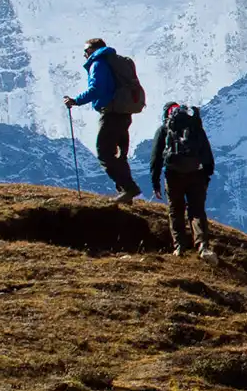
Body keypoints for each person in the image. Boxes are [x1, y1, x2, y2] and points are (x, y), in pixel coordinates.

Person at [63, 38, 140, 203]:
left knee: (105, 152)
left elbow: (96, 89)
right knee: (120, 154)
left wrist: (75, 100)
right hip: (124, 112)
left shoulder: (98, 63)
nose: (84, 55)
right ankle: (125, 195)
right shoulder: (116, 61)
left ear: (92, 49)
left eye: (85, 51)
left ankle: (129, 188)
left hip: (111, 112)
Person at [149, 102, 216, 264]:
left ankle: (179, 246)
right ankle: (202, 246)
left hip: (173, 175)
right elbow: (207, 153)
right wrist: (206, 176)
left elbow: (156, 158)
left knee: (175, 210)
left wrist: (155, 182)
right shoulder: (195, 126)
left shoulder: (164, 129)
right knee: (197, 211)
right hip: (196, 174)